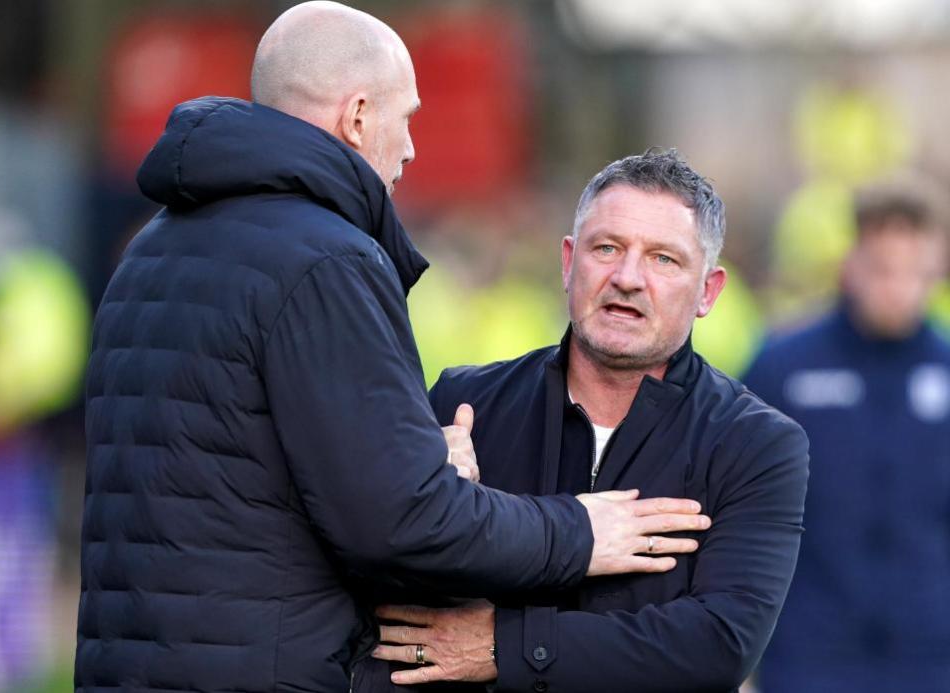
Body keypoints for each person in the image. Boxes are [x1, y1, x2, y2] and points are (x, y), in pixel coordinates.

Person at [74, 4, 708, 692]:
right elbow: (402, 525)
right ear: (356, 118)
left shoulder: (150, 249)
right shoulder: (326, 259)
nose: (409, 147)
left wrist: (408, 450)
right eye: (405, 118)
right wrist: (580, 532)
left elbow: (226, 470)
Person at [369, 150, 810, 692]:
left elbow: (717, 645)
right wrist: (433, 502)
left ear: (708, 292)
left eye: (663, 260)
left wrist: (500, 646)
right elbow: (386, 587)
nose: (628, 278)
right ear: (567, 262)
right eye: (608, 248)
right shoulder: (466, 405)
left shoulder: (755, 443)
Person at [745, 178, 950, 693]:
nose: (897, 288)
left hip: (930, 654)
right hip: (808, 653)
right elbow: (732, 503)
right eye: (883, 269)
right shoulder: (782, 368)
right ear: (851, 263)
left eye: (914, 272)